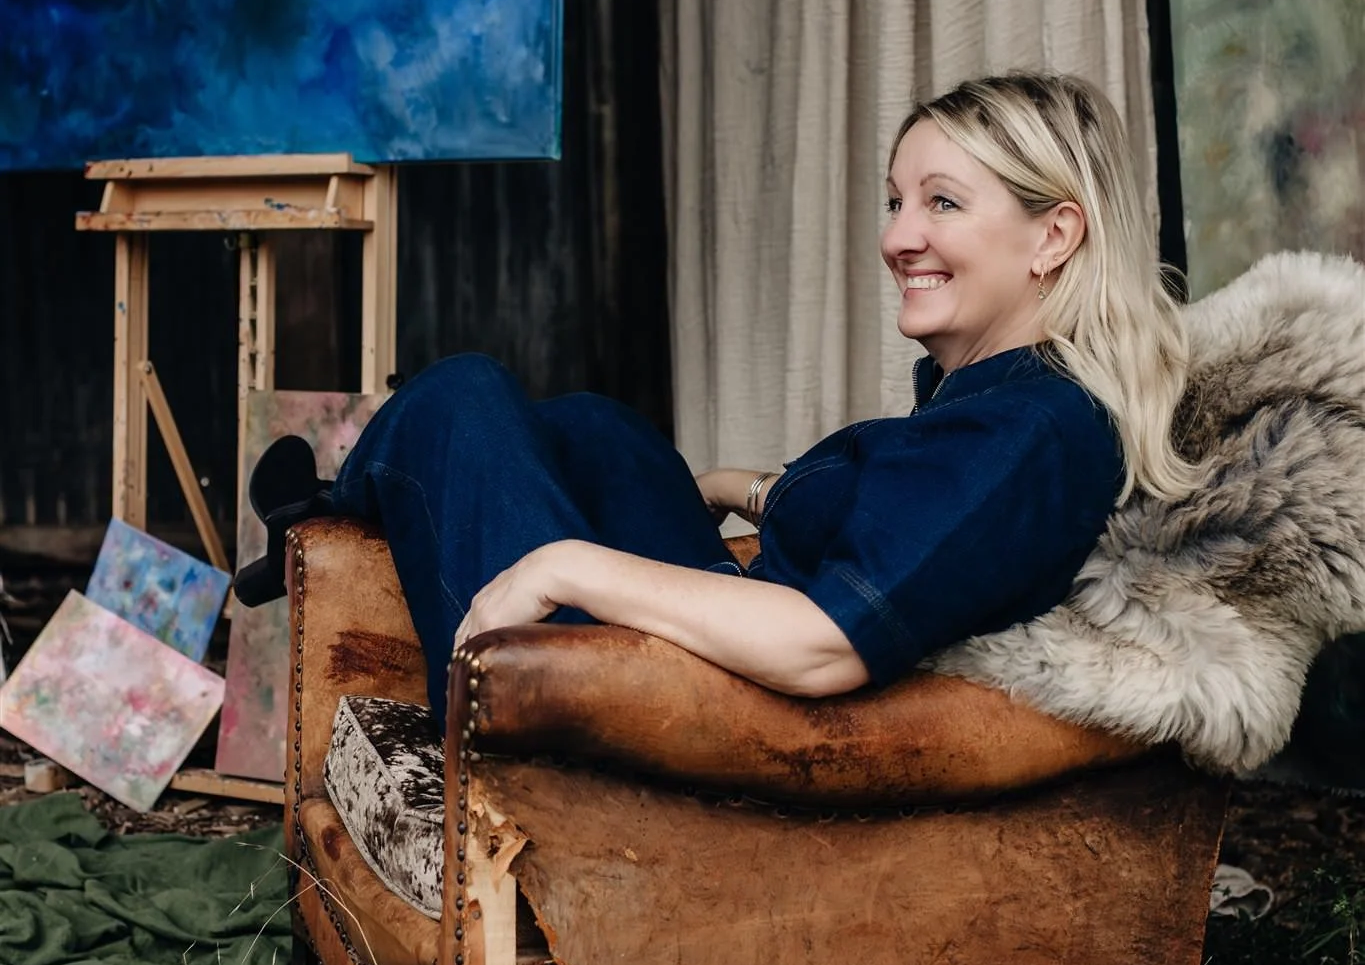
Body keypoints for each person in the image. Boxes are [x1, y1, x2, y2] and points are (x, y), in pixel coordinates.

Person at [236, 72, 1195, 725]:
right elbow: (911, 532)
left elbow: (825, 645)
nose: (900, 236)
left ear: (1053, 236)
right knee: (596, 431)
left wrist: (567, 567)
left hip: (694, 723)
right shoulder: (1002, 403)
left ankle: (333, 502)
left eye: (942, 203)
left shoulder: (1024, 432)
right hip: (727, 679)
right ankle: (339, 499)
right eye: (895, 201)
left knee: (462, 394)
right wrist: (738, 486)